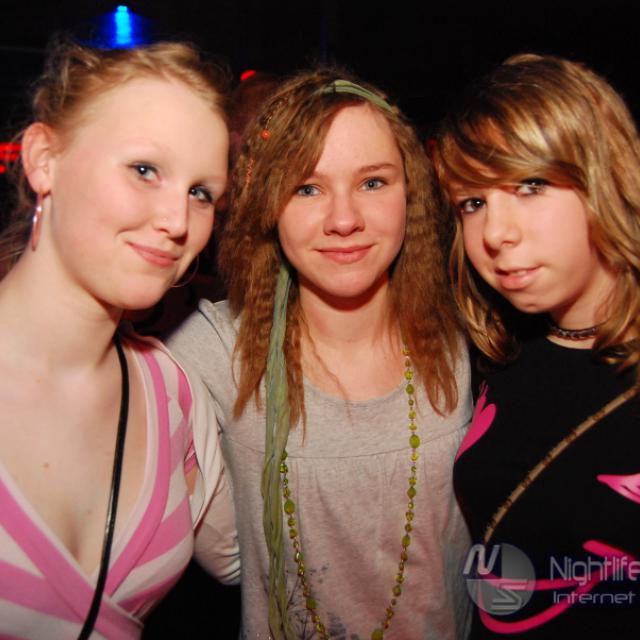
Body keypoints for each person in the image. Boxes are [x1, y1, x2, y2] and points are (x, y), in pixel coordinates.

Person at [169, 69, 472, 639]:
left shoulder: (471, 341)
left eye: (373, 182)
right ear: (268, 205)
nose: (344, 220)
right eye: (307, 188)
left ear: (411, 191)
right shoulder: (214, 352)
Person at [0, 40, 239, 638]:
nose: (178, 223)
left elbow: (244, 560)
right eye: (144, 170)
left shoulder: (172, 391)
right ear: (44, 160)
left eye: (201, 193)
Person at [433, 53, 640, 637]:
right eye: (473, 203)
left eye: (531, 185)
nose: (496, 233)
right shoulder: (495, 351)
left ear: (604, 176)